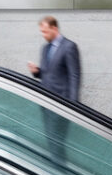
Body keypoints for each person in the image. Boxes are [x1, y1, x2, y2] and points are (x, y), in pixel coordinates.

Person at [26, 16, 81, 159]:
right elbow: (47, 73)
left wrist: (72, 105)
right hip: (46, 104)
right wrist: (37, 72)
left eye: (45, 32)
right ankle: (58, 172)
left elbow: (74, 76)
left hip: (62, 104)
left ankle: (60, 173)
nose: (43, 35)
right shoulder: (45, 49)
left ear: (54, 28)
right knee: (51, 141)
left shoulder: (69, 46)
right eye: (41, 32)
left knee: (57, 142)